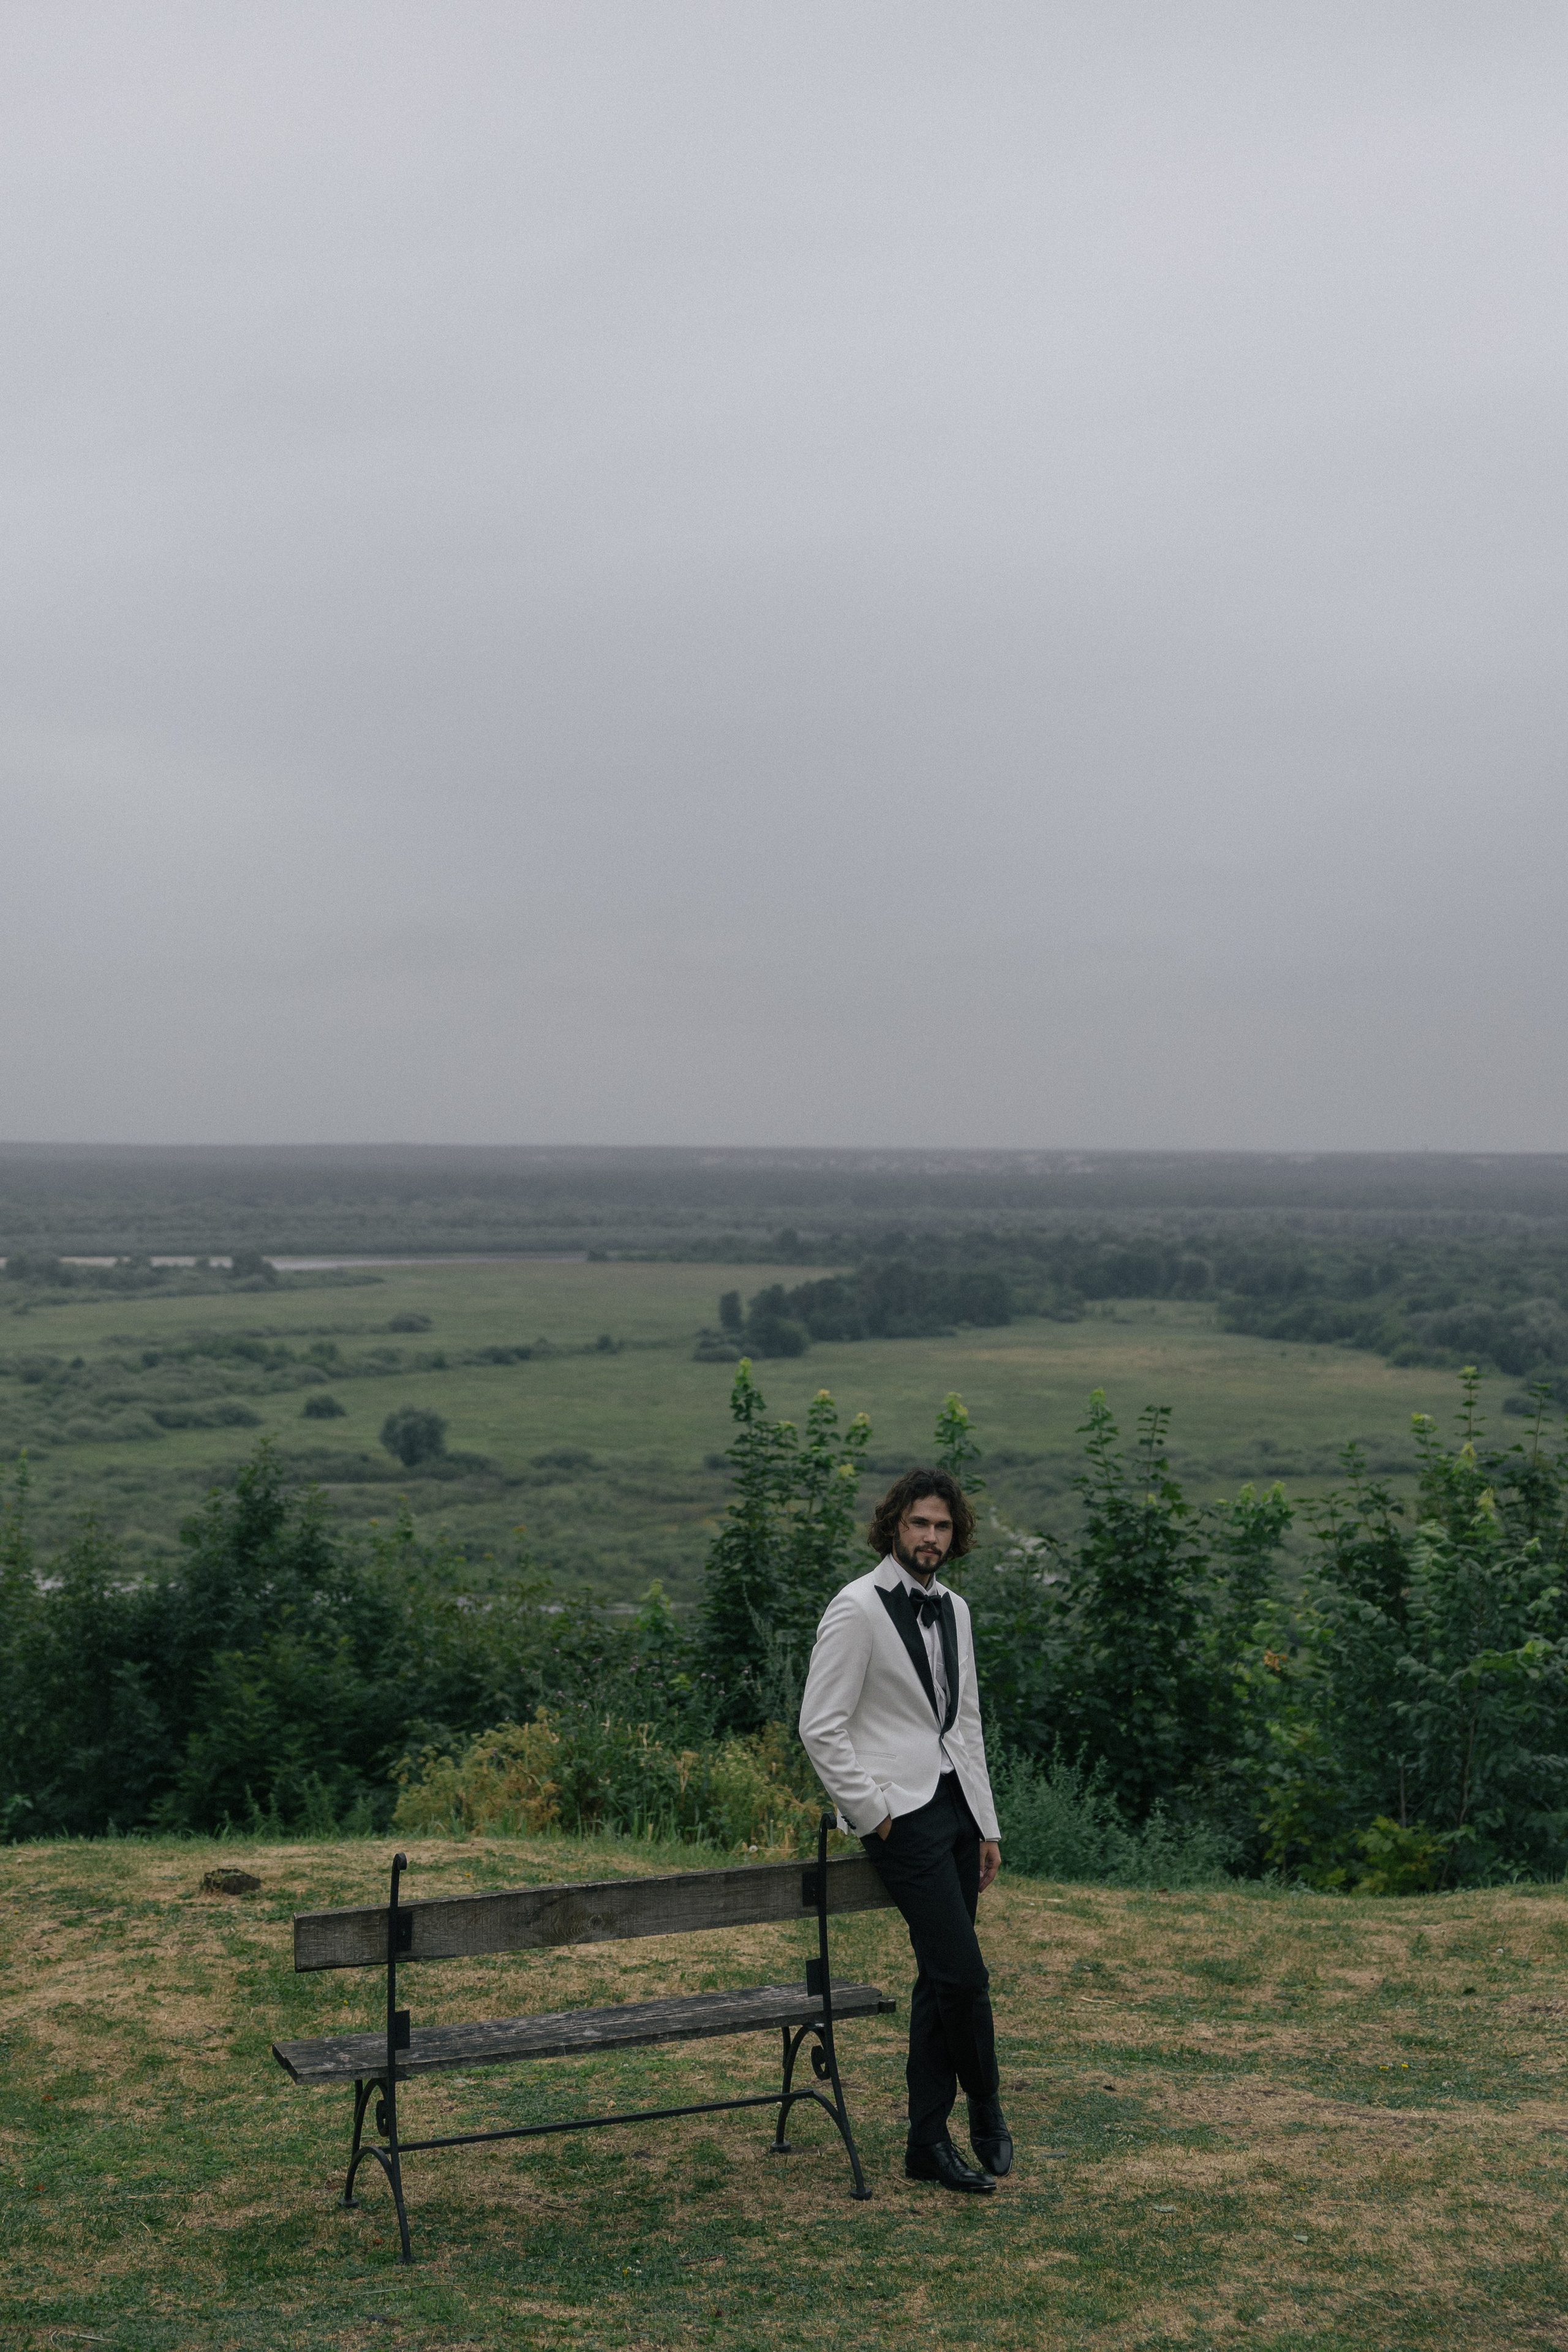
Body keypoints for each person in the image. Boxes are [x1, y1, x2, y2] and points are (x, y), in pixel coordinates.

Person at [797, 1467, 1011, 2194]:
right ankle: (986, 2106)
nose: (931, 1537)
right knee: (964, 1976)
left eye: (943, 1526)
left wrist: (985, 1822)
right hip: (900, 1818)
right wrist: (875, 1816)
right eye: (919, 1523)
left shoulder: (955, 1608)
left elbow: (967, 1723)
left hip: (955, 1811)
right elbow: (819, 1727)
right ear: (894, 1525)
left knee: (938, 1981)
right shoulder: (856, 1608)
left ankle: (927, 2144)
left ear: (956, 1535)